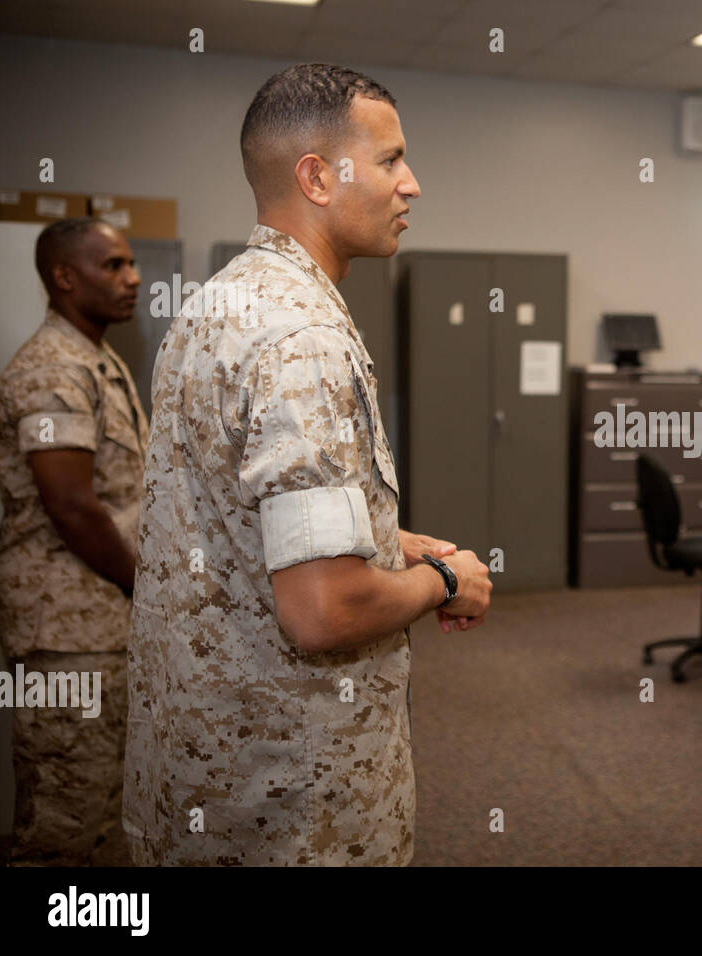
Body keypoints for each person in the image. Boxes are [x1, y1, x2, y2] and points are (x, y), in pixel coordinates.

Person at [123, 63, 492, 866]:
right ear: (318, 177)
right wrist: (451, 580)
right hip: (290, 805)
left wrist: (405, 546)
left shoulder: (215, 304)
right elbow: (324, 610)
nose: (413, 185)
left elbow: (245, 521)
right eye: (391, 160)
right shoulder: (305, 340)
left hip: (197, 771)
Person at [0, 217, 145, 865]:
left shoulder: (97, 358)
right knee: (65, 823)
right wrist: (148, 585)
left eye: (131, 263)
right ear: (63, 277)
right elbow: (72, 506)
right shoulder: (53, 368)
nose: (133, 278)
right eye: (113, 265)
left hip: (99, 628)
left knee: (102, 813)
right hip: (67, 638)